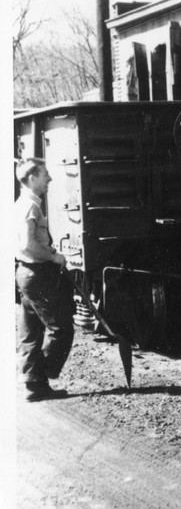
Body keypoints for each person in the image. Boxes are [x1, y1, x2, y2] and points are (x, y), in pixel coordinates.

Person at [15, 158, 75, 401]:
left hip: (25, 273)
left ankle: (34, 386)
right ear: (32, 177)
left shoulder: (19, 204)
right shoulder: (30, 206)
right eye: (45, 174)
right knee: (62, 328)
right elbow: (28, 244)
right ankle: (41, 375)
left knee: (30, 332)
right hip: (37, 274)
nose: (49, 179)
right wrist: (54, 256)